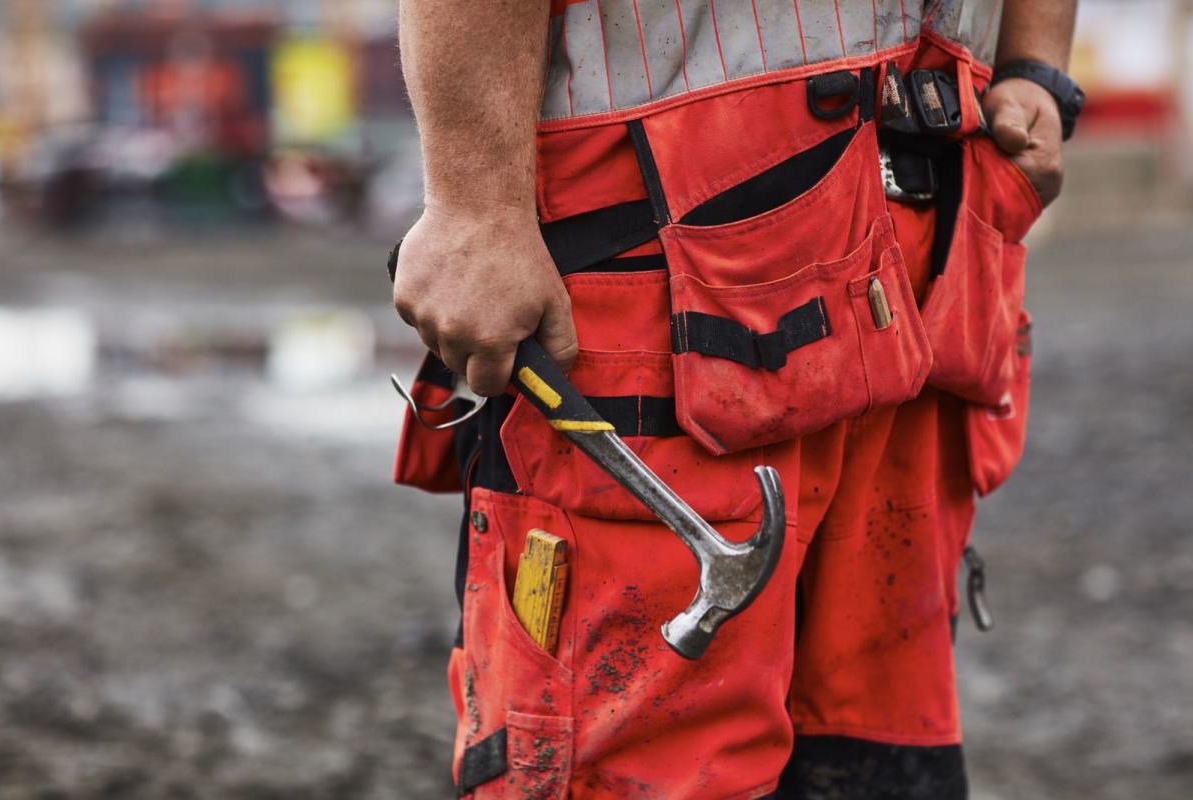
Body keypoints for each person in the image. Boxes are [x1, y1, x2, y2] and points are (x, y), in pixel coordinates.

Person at [391, 1, 1081, 797]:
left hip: (928, 258)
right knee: (640, 768)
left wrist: (1037, 68)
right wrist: (474, 202)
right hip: (655, 259)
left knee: (877, 762)